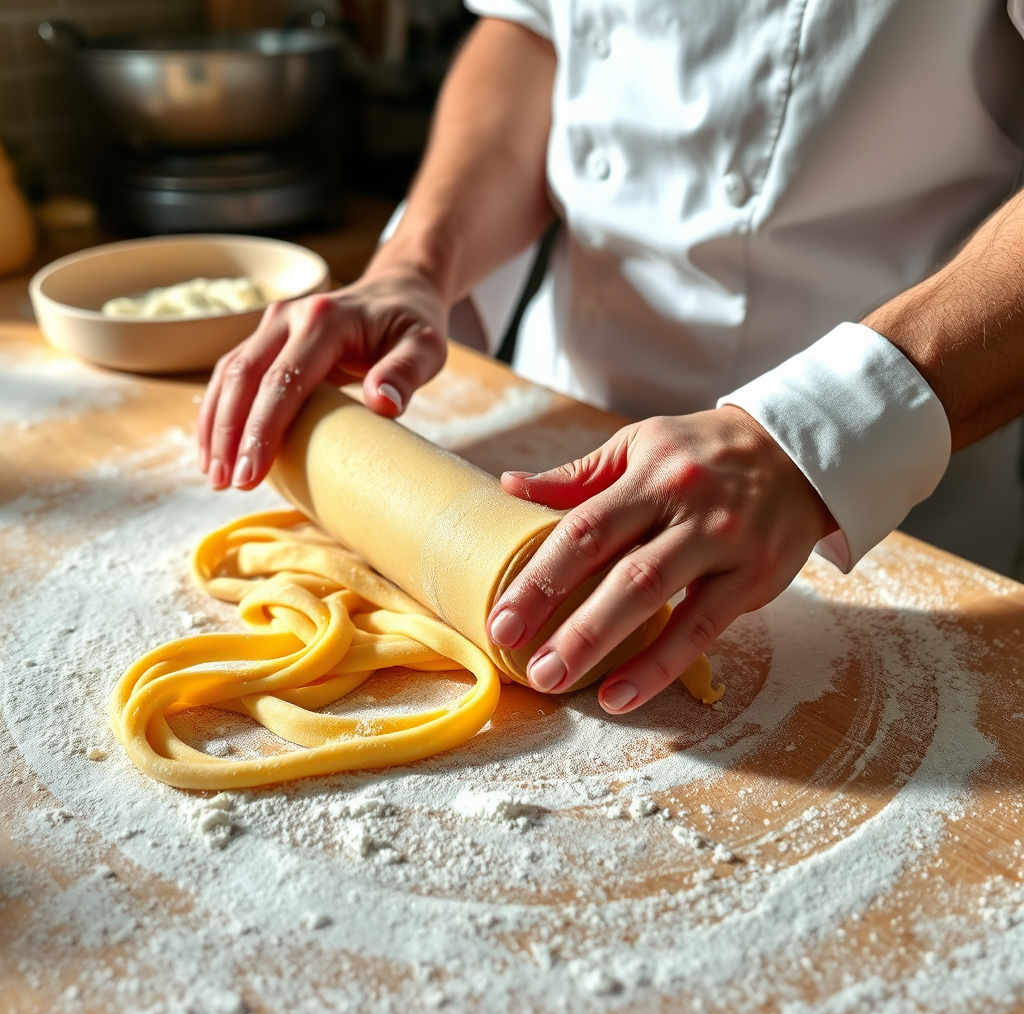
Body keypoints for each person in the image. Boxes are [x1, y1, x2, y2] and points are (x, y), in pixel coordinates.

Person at [197, 1, 1024, 717]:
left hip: (891, 497)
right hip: (555, 453)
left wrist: (813, 434)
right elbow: (531, 30)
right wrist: (416, 263)